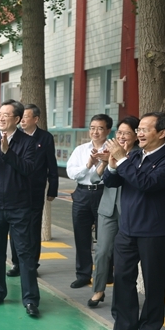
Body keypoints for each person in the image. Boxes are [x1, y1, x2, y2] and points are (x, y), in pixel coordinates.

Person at [100, 112, 165, 330]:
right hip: (127, 229)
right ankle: (124, 325)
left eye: (145, 129)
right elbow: (112, 181)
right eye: (139, 129)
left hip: (155, 231)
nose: (139, 133)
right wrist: (114, 166)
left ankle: (149, 329)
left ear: (162, 133)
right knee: (123, 278)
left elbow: (148, 184)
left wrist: (122, 161)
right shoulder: (134, 156)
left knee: (154, 282)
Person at [0, 100, 41, 317]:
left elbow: (28, 169)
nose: (1, 117)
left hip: (20, 207)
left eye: (7, 114)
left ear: (17, 119)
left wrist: (7, 152)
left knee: (25, 253)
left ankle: (30, 299)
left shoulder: (28, 142)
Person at [88, 117, 139, 308]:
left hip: (129, 211)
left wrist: (121, 159)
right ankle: (98, 290)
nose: (122, 136)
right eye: (119, 133)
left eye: (126, 133)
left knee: (125, 256)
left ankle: (122, 294)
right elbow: (94, 179)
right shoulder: (109, 151)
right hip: (108, 210)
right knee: (102, 251)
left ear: (136, 135)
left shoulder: (139, 154)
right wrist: (105, 162)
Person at [7, 103, 59, 277]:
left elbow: (52, 165)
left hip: (36, 189)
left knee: (33, 228)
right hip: (16, 189)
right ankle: (16, 263)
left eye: (26, 117)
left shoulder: (45, 138)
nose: (22, 121)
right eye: (21, 118)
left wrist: (53, 188)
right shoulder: (16, 136)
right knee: (15, 228)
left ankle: (32, 264)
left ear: (35, 119)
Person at [66, 114, 113, 289]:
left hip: (104, 193)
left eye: (100, 128)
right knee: (81, 235)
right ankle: (83, 274)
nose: (95, 131)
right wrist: (88, 164)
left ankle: (106, 273)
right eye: (92, 127)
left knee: (105, 237)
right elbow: (71, 173)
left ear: (108, 130)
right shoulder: (81, 150)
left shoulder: (113, 148)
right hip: (82, 194)